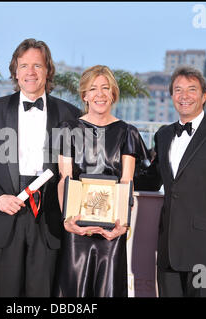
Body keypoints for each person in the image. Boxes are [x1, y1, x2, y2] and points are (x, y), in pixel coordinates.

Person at [0, 38, 81, 297]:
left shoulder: (70, 114)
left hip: (49, 217)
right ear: (15, 71)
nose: (30, 72)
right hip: (6, 213)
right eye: (24, 66)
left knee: (43, 293)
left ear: (48, 70)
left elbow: (77, 170)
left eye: (37, 66)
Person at [145, 66, 206, 297]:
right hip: (169, 249)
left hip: (205, 253)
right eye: (178, 90)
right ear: (171, 96)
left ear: (204, 96)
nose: (184, 96)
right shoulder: (164, 135)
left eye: (192, 89)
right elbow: (151, 180)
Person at [55, 65, 148, 297]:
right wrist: (67, 219)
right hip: (77, 228)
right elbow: (64, 178)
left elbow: (126, 181)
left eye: (106, 88)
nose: (100, 94)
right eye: (93, 89)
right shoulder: (68, 129)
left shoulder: (128, 132)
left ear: (113, 94)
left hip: (111, 231)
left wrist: (123, 226)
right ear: (84, 96)